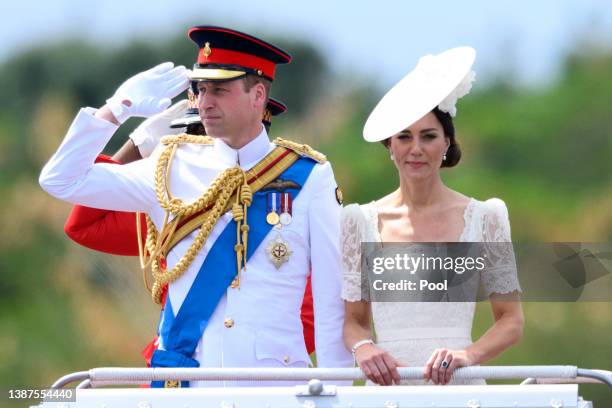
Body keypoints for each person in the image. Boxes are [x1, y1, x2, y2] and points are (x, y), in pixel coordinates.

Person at [40, 25, 352, 388]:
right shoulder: (169, 166)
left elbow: (331, 303)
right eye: (199, 89)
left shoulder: (310, 177)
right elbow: (61, 180)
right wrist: (117, 109)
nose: (204, 102)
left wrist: (337, 395)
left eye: (219, 89)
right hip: (185, 386)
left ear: (258, 95)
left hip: (272, 389)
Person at [62, 95, 317, 359]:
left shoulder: (293, 204)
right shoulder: (170, 206)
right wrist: (138, 148)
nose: (193, 150)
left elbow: (314, 314)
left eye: (209, 138)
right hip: (179, 362)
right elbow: (84, 225)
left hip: (258, 368)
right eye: (189, 135)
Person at [341, 47, 524, 386]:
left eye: (428, 136)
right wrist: (364, 347)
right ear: (390, 147)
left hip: (459, 388)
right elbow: (354, 321)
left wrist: (468, 355)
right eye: (404, 137)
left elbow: (511, 321)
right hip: (387, 389)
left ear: (446, 144)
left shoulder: (485, 217)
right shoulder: (358, 221)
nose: (416, 148)